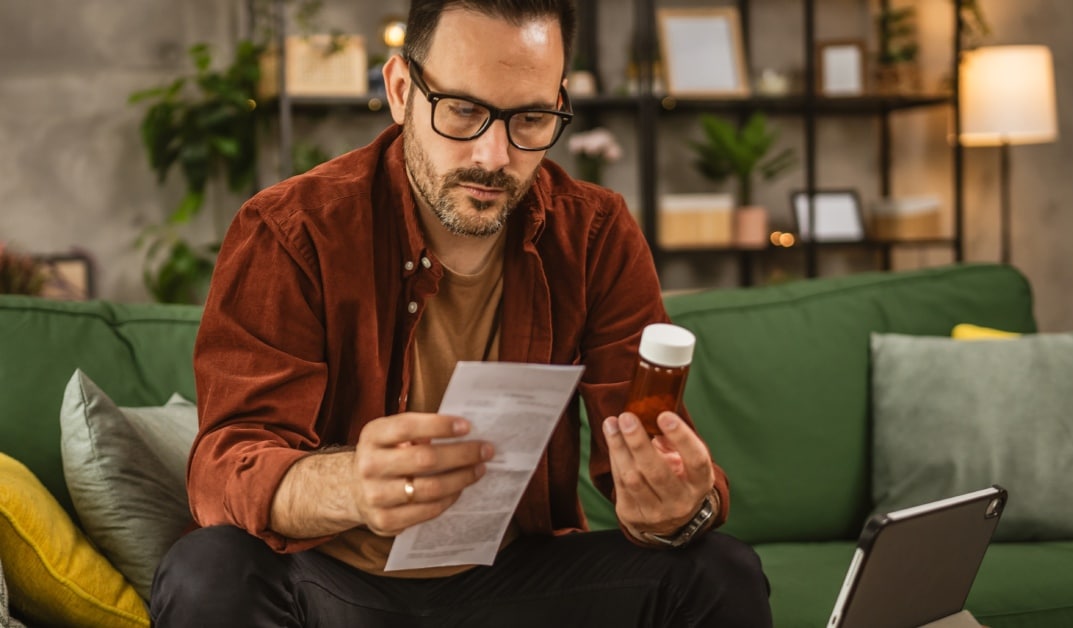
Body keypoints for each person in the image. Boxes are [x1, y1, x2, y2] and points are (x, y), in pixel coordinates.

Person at [150, 1, 772, 625]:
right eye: (464, 111)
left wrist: (675, 509)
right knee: (208, 571)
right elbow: (226, 464)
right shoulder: (293, 231)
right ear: (400, 91)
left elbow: (650, 452)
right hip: (332, 586)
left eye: (529, 118)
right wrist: (352, 486)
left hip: (512, 582)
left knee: (718, 570)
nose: (494, 155)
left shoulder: (594, 234)